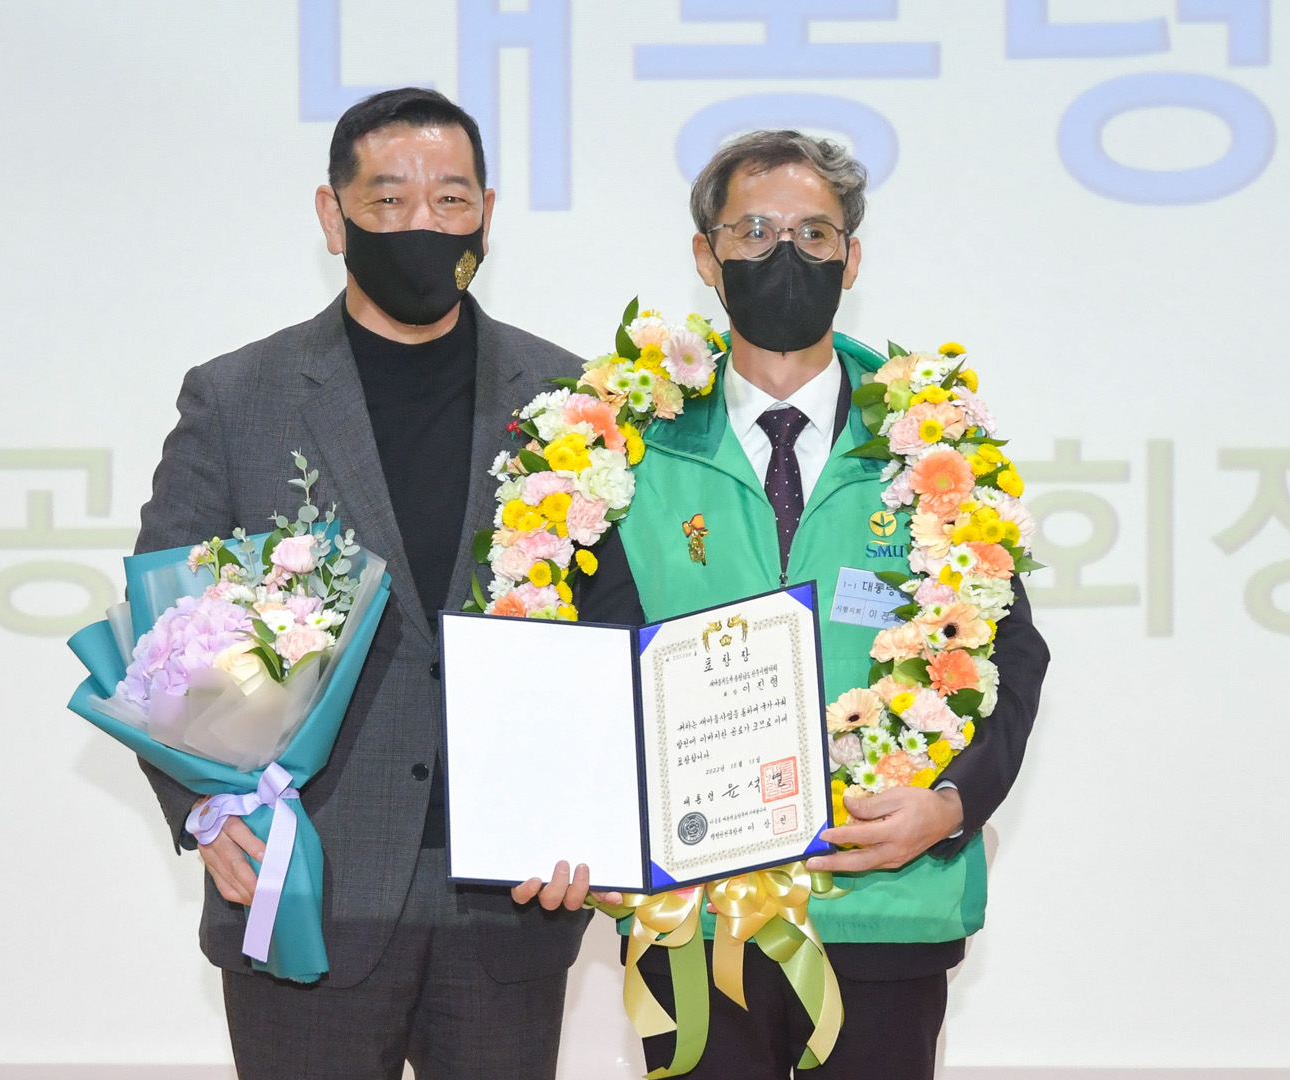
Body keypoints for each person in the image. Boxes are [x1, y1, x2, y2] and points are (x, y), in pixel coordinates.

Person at [513, 130, 1050, 1078]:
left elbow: (1010, 660)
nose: (786, 254)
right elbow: (572, 663)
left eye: (814, 233)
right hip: (692, 912)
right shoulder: (618, 446)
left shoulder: (933, 446)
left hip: (885, 905)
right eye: (754, 232)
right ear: (705, 256)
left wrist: (949, 807)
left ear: (852, 258)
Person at [135, 87, 591, 1080]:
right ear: (332, 214)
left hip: (510, 901)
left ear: (487, 214)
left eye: (451, 200)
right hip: (307, 882)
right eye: (388, 200)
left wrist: (596, 817)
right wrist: (205, 805)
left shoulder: (571, 398)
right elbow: (162, 631)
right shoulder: (239, 398)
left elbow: (615, 624)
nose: (422, 222)